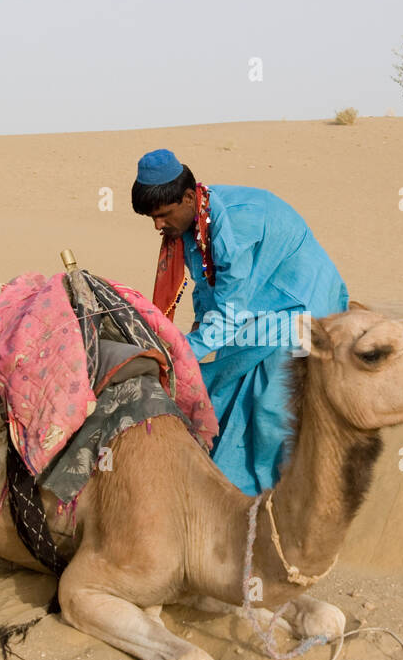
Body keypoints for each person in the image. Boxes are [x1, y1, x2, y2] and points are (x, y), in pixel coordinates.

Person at [132, 148, 349, 496]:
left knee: (270, 409)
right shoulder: (194, 223)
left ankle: (279, 501)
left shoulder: (235, 226)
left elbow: (229, 310)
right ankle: (230, 495)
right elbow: (207, 291)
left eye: (163, 215)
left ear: (188, 197)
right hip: (257, 312)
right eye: (151, 218)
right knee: (222, 397)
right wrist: (190, 340)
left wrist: (179, 351)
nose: (158, 226)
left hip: (299, 307)